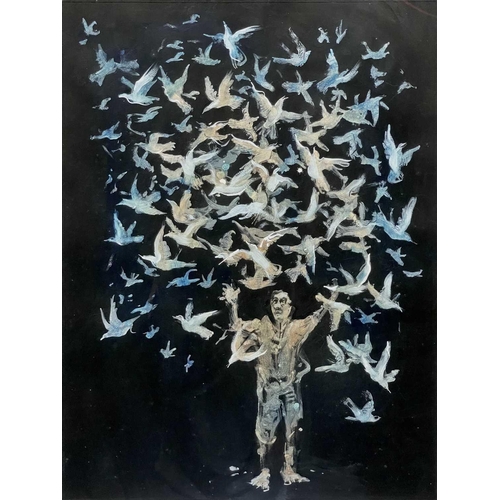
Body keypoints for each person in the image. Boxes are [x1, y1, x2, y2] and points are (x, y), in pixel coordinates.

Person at [221, 284, 329, 491]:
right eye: (274, 301)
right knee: (265, 432)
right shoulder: (259, 326)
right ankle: (264, 471)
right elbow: (236, 327)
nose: (278, 305)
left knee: (292, 428)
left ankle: (289, 469)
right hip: (268, 388)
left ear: (290, 306)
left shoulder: (297, 327)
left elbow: (318, 316)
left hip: (290, 387)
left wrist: (331, 298)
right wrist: (232, 304)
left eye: (283, 301)